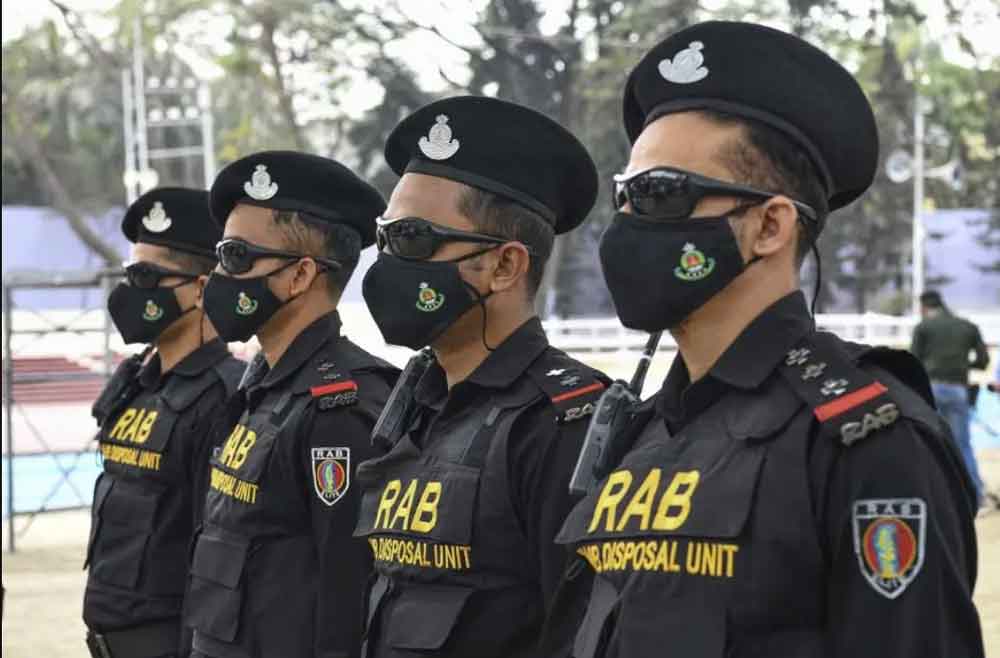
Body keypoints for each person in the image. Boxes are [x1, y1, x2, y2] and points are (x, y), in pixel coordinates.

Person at [543, 21, 984, 658]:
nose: (627, 223)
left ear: (770, 226)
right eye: (625, 195)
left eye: (659, 193)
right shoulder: (639, 433)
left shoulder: (867, 445)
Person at [353, 95, 609, 658]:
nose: (388, 261)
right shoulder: (417, 402)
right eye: (385, 237)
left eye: (413, 239)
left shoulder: (565, 424)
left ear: (505, 265)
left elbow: (578, 633)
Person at [186, 152, 399, 658]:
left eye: (237, 256)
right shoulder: (263, 385)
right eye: (221, 254)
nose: (219, 275)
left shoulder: (342, 407)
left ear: (300, 275)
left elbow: (346, 595)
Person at [85, 187, 244, 658]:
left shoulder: (222, 397)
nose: (130, 291)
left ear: (201, 288)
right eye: (130, 274)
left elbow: (211, 551)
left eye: (146, 276)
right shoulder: (136, 382)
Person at [911, 289, 990, 506]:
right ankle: (976, 495)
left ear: (924, 307)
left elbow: (913, 361)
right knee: (962, 443)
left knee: (930, 442)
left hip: (930, 389)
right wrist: (964, 365)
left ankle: (933, 494)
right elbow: (983, 361)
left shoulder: (924, 327)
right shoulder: (967, 326)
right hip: (958, 389)